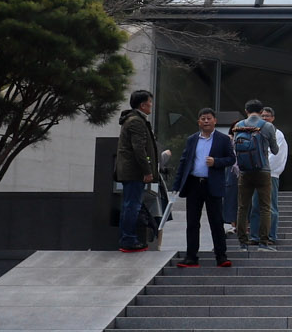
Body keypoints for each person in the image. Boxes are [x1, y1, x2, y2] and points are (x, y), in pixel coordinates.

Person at [170, 107, 236, 267]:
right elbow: (184, 161)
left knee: (216, 221)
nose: (206, 121)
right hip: (194, 184)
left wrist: (216, 162)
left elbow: (231, 159)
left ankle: (221, 256)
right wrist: (177, 184)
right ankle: (191, 257)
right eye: (203, 119)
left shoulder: (223, 139)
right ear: (198, 121)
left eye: (209, 118)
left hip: (212, 184)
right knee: (192, 222)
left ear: (215, 121)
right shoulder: (192, 139)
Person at [230, 99, 281, 248]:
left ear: (246, 111)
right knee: (265, 207)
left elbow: (235, 147)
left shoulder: (239, 126)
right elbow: (275, 150)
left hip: (245, 171)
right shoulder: (267, 126)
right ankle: (263, 242)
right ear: (260, 112)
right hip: (263, 170)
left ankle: (242, 241)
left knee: (243, 207)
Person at [114, 88, 158, 252]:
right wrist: (147, 171)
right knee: (132, 205)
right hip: (133, 172)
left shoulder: (134, 120)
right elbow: (139, 149)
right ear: (143, 104)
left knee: (130, 205)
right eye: (149, 102)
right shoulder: (136, 121)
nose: (151, 105)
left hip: (131, 171)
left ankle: (128, 238)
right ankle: (128, 239)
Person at [255, 104, 288, 247]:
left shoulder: (278, 134)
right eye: (262, 116)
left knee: (270, 206)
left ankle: (270, 235)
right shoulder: (255, 132)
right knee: (255, 206)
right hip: (254, 174)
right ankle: (255, 236)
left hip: (270, 174)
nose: (264, 118)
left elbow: (276, 155)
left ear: (273, 118)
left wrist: (262, 167)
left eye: (267, 116)